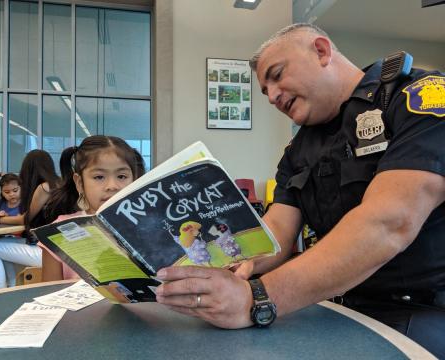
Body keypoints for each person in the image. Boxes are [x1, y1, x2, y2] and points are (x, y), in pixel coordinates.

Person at [154, 23, 445, 358]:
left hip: (427, 310)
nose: (273, 96)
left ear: (321, 51)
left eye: (277, 75)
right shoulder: (297, 151)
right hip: (343, 307)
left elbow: (389, 222)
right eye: (265, 91)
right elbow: (276, 230)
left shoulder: (420, 97)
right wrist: (235, 263)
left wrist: (257, 298)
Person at [41, 135, 145, 281]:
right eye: (99, 177)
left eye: (121, 176)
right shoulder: (59, 231)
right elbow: (49, 294)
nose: (112, 186)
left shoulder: (149, 226)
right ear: (79, 183)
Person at [0, 150, 60, 290]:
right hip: (56, 248)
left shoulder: (44, 187)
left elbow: (24, 219)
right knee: (0, 243)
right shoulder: (58, 183)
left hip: (48, 252)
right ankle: (11, 288)